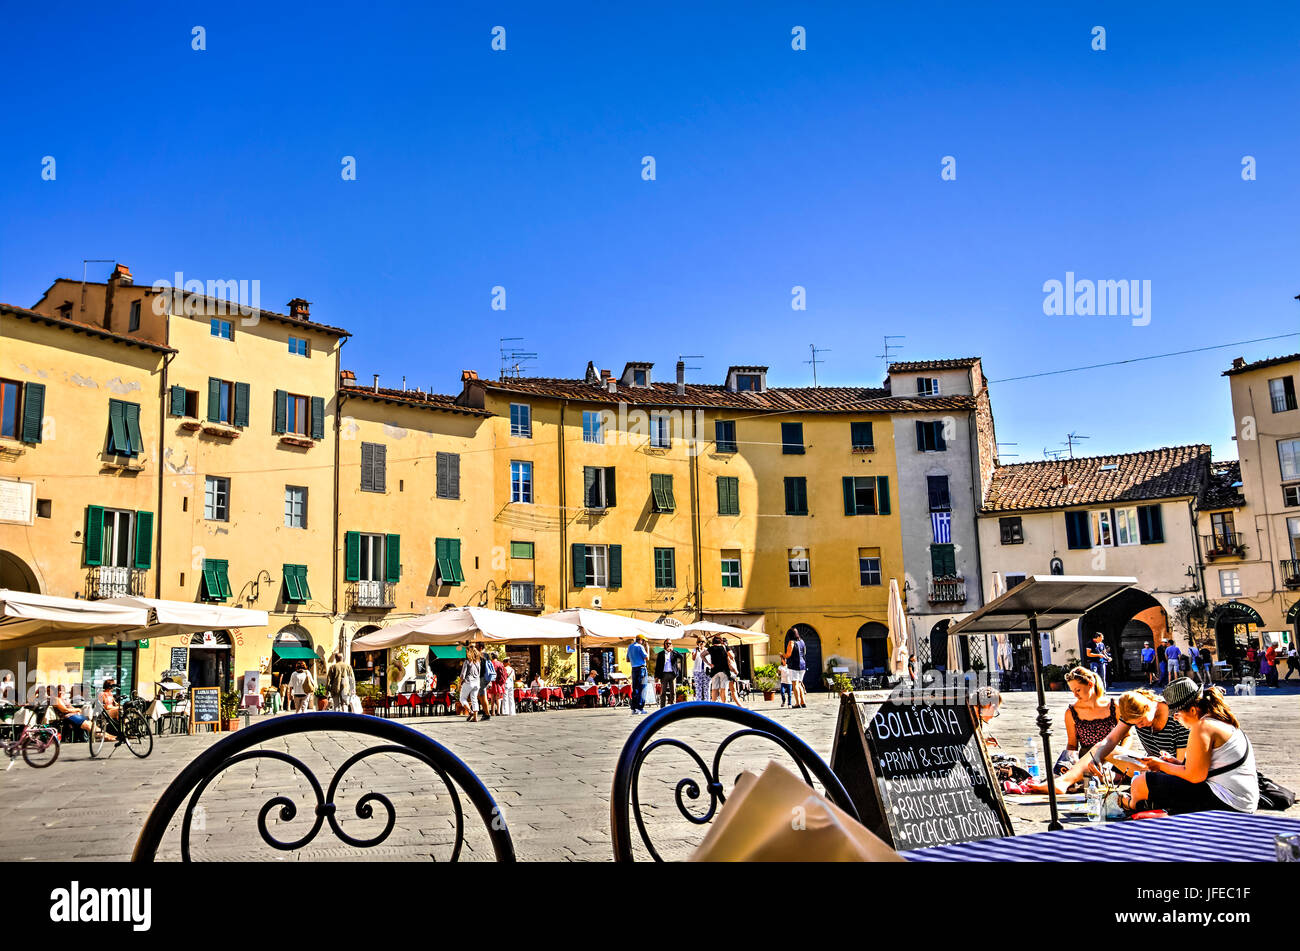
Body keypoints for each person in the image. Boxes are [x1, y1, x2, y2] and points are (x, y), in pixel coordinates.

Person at [1124, 678, 1259, 815]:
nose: (1175, 719)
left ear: (1193, 710)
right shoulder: (1216, 719)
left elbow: (1195, 776)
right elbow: (1202, 769)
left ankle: (1129, 803)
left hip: (1229, 802)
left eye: (1176, 714)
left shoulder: (1203, 727)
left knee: (1142, 782)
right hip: (1240, 800)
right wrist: (1174, 762)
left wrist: (1160, 765)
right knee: (1148, 781)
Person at [784, 629, 808, 709]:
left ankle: (797, 703)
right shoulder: (802, 641)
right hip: (803, 664)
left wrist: (782, 655)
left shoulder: (791, 642)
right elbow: (804, 653)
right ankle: (803, 702)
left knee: (795, 685)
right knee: (800, 684)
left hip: (794, 665)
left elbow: (788, 654)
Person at [627, 635, 650, 716]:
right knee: (642, 688)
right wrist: (647, 648)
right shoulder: (640, 647)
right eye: (643, 641)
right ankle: (639, 707)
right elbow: (647, 657)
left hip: (634, 668)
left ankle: (633, 708)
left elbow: (627, 659)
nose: (644, 642)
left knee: (635, 688)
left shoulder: (630, 647)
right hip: (641, 668)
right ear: (640, 640)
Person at [654, 639, 680, 708]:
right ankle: (662, 707)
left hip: (672, 674)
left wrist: (673, 651)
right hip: (664, 674)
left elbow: (681, 657)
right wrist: (656, 676)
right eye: (667, 643)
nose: (668, 645)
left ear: (671, 644)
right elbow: (657, 665)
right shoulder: (661, 653)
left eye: (670, 643)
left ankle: (673, 707)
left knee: (673, 692)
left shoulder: (673, 653)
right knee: (663, 692)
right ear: (664, 645)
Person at [706, 635, 732, 703]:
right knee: (723, 689)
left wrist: (709, 664)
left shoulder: (711, 648)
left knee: (714, 689)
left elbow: (702, 655)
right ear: (721, 640)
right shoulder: (724, 647)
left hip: (714, 670)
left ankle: (713, 705)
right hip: (724, 670)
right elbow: (732, 656)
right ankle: (724, 705)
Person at [460, 644, 482, 722]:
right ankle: (475, 718)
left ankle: (470, 711)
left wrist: (460, 684)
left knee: (462, 698)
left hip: (468, 682)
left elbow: (462, 675)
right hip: (477, 682)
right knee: (474, 699)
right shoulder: (478, 662)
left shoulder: (467, 662)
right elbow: (479, 673)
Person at [692, 637, 710, 701]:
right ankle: (698, 704)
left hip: (706, 671)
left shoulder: (708, 650)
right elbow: (693, 658)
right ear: (697, 643)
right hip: (697, 671)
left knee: (706, 689)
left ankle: (707, 704)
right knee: (698, 689)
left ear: (705, 643)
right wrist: (697, 650)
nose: (701, 643)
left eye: (703, 641)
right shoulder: (694, 650)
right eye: (700, 641)